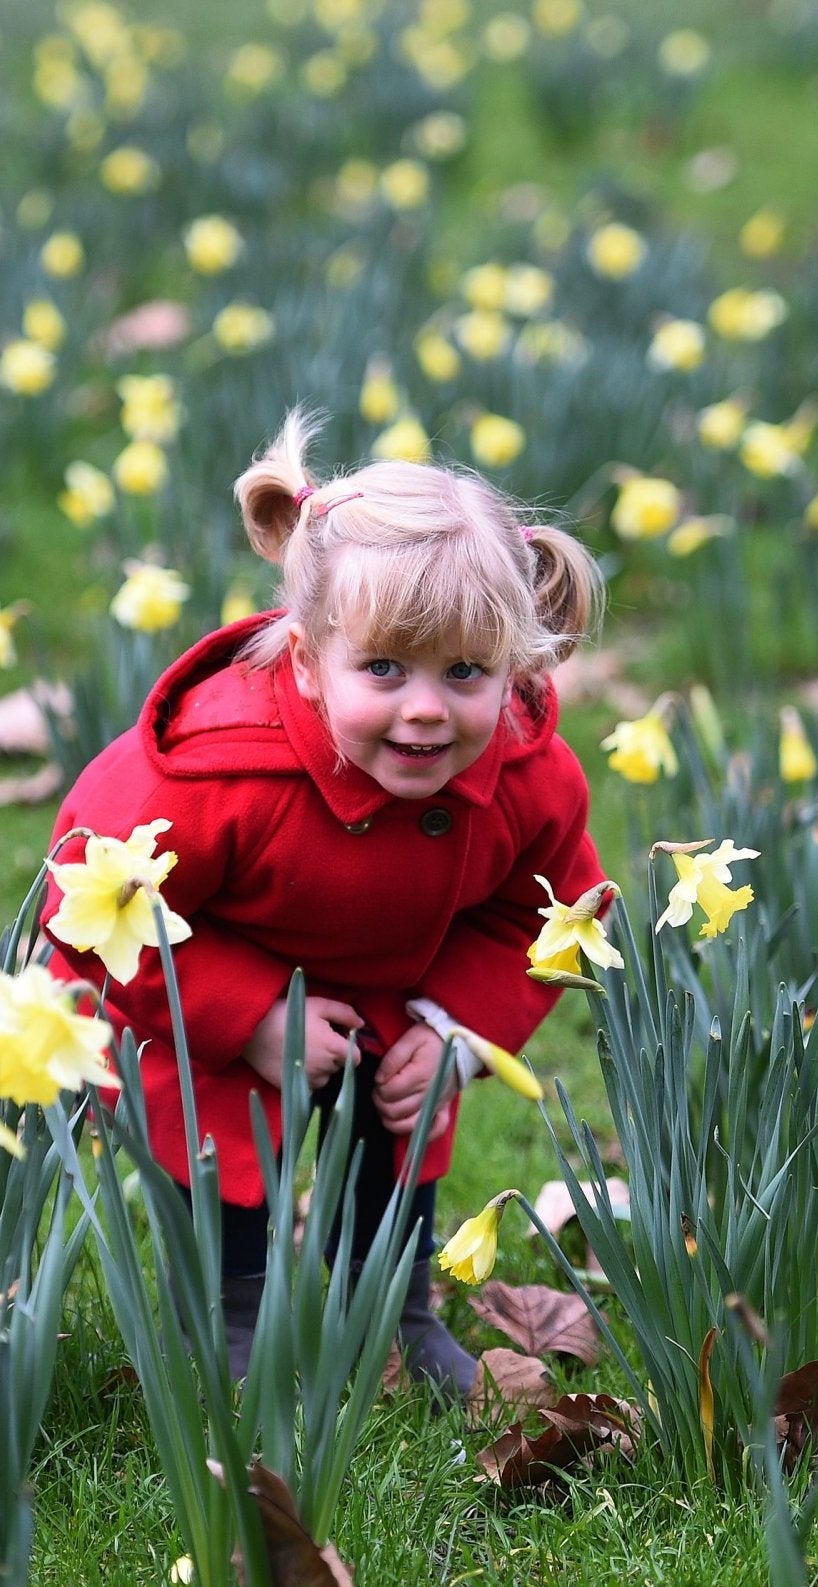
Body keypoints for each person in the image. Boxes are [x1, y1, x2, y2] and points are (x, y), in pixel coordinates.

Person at [44, 409, 608, 1401]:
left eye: (464, 671)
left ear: (512, 665)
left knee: (401, 1097)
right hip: (203, 988)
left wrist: (460, 1028)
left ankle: (392, 1304)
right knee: (218, 1130)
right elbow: (91, 906)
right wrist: (251, 1017)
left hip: (394, 988)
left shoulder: (525, 769)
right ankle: (231, 1306)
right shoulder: (214, 773)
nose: (425, 707)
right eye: (384, 668)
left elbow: (554, 909)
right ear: (304, 659)